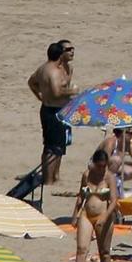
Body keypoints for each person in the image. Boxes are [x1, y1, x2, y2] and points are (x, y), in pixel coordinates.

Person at [28, 41, 76, 185]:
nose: (72, 51)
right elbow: (55, 92)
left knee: (61, 145)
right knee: (51, 146)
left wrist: (40, 95)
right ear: (61, 53)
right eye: (68, 49)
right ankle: (48, 180)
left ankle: (56, 176)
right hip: (52, 110)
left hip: (62, 110)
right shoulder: (51, 70)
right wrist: (72, 91)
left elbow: (32, 82)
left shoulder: (66, 68)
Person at [71, 148, 119, 262]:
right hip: (86, 214)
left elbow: (114, 200)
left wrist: (105, 217)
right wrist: (75, 215)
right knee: (81, 249)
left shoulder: (109, 177)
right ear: (94, 163)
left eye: (104, 166)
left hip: (103, 214)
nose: (101, 169)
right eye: (99, 166)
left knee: (104, 251)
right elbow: (81, 196)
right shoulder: (87, 175)